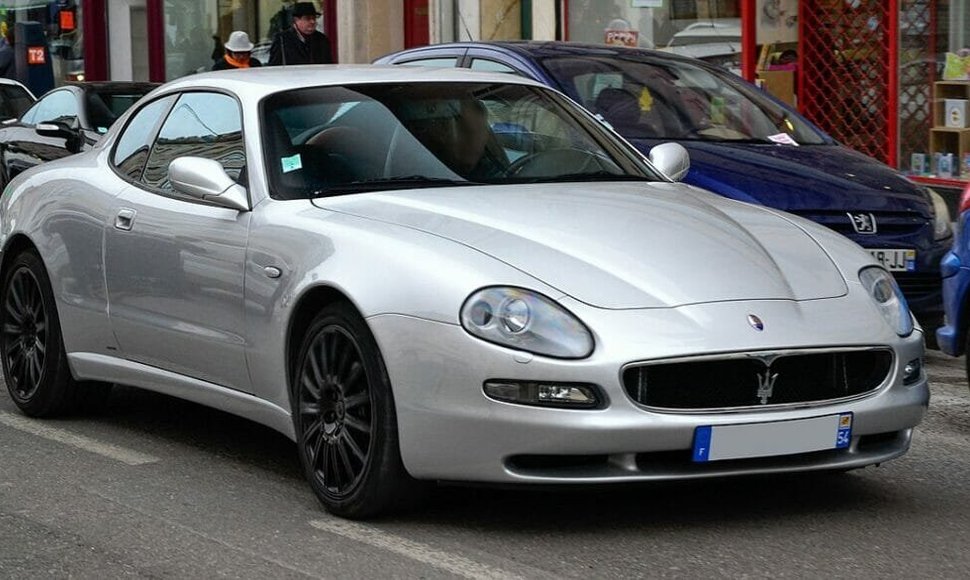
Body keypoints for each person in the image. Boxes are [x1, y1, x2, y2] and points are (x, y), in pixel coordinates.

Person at [268, 2, 333, 66]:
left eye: (314, 18)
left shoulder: (322, 39)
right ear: (296, 20)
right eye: (307, 18)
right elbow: (274, 68)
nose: (312, 22)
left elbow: (328, 66)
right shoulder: (282, 39)